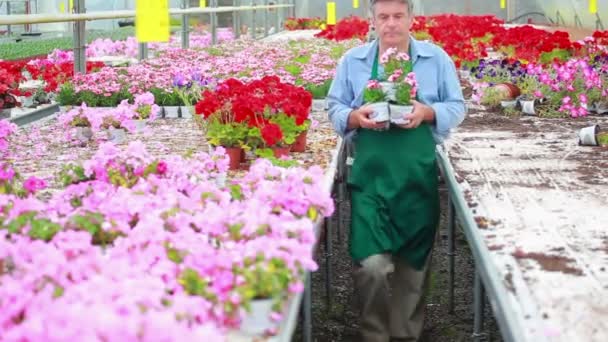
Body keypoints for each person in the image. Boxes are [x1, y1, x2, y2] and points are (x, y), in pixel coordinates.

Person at [327, 1, 465, 341]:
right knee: (370, 265)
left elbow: (457, 106)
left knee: (412, 267)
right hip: (370, 179)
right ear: (372, 21)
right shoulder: (354, 61)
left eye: (398, 16)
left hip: (416, 177)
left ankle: (406, 335)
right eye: (383, 17)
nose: (390, 24)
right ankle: (374, 333)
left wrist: (428, 112)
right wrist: (354, 118)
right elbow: (334, 105)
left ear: (411, 19)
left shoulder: (435, 59)